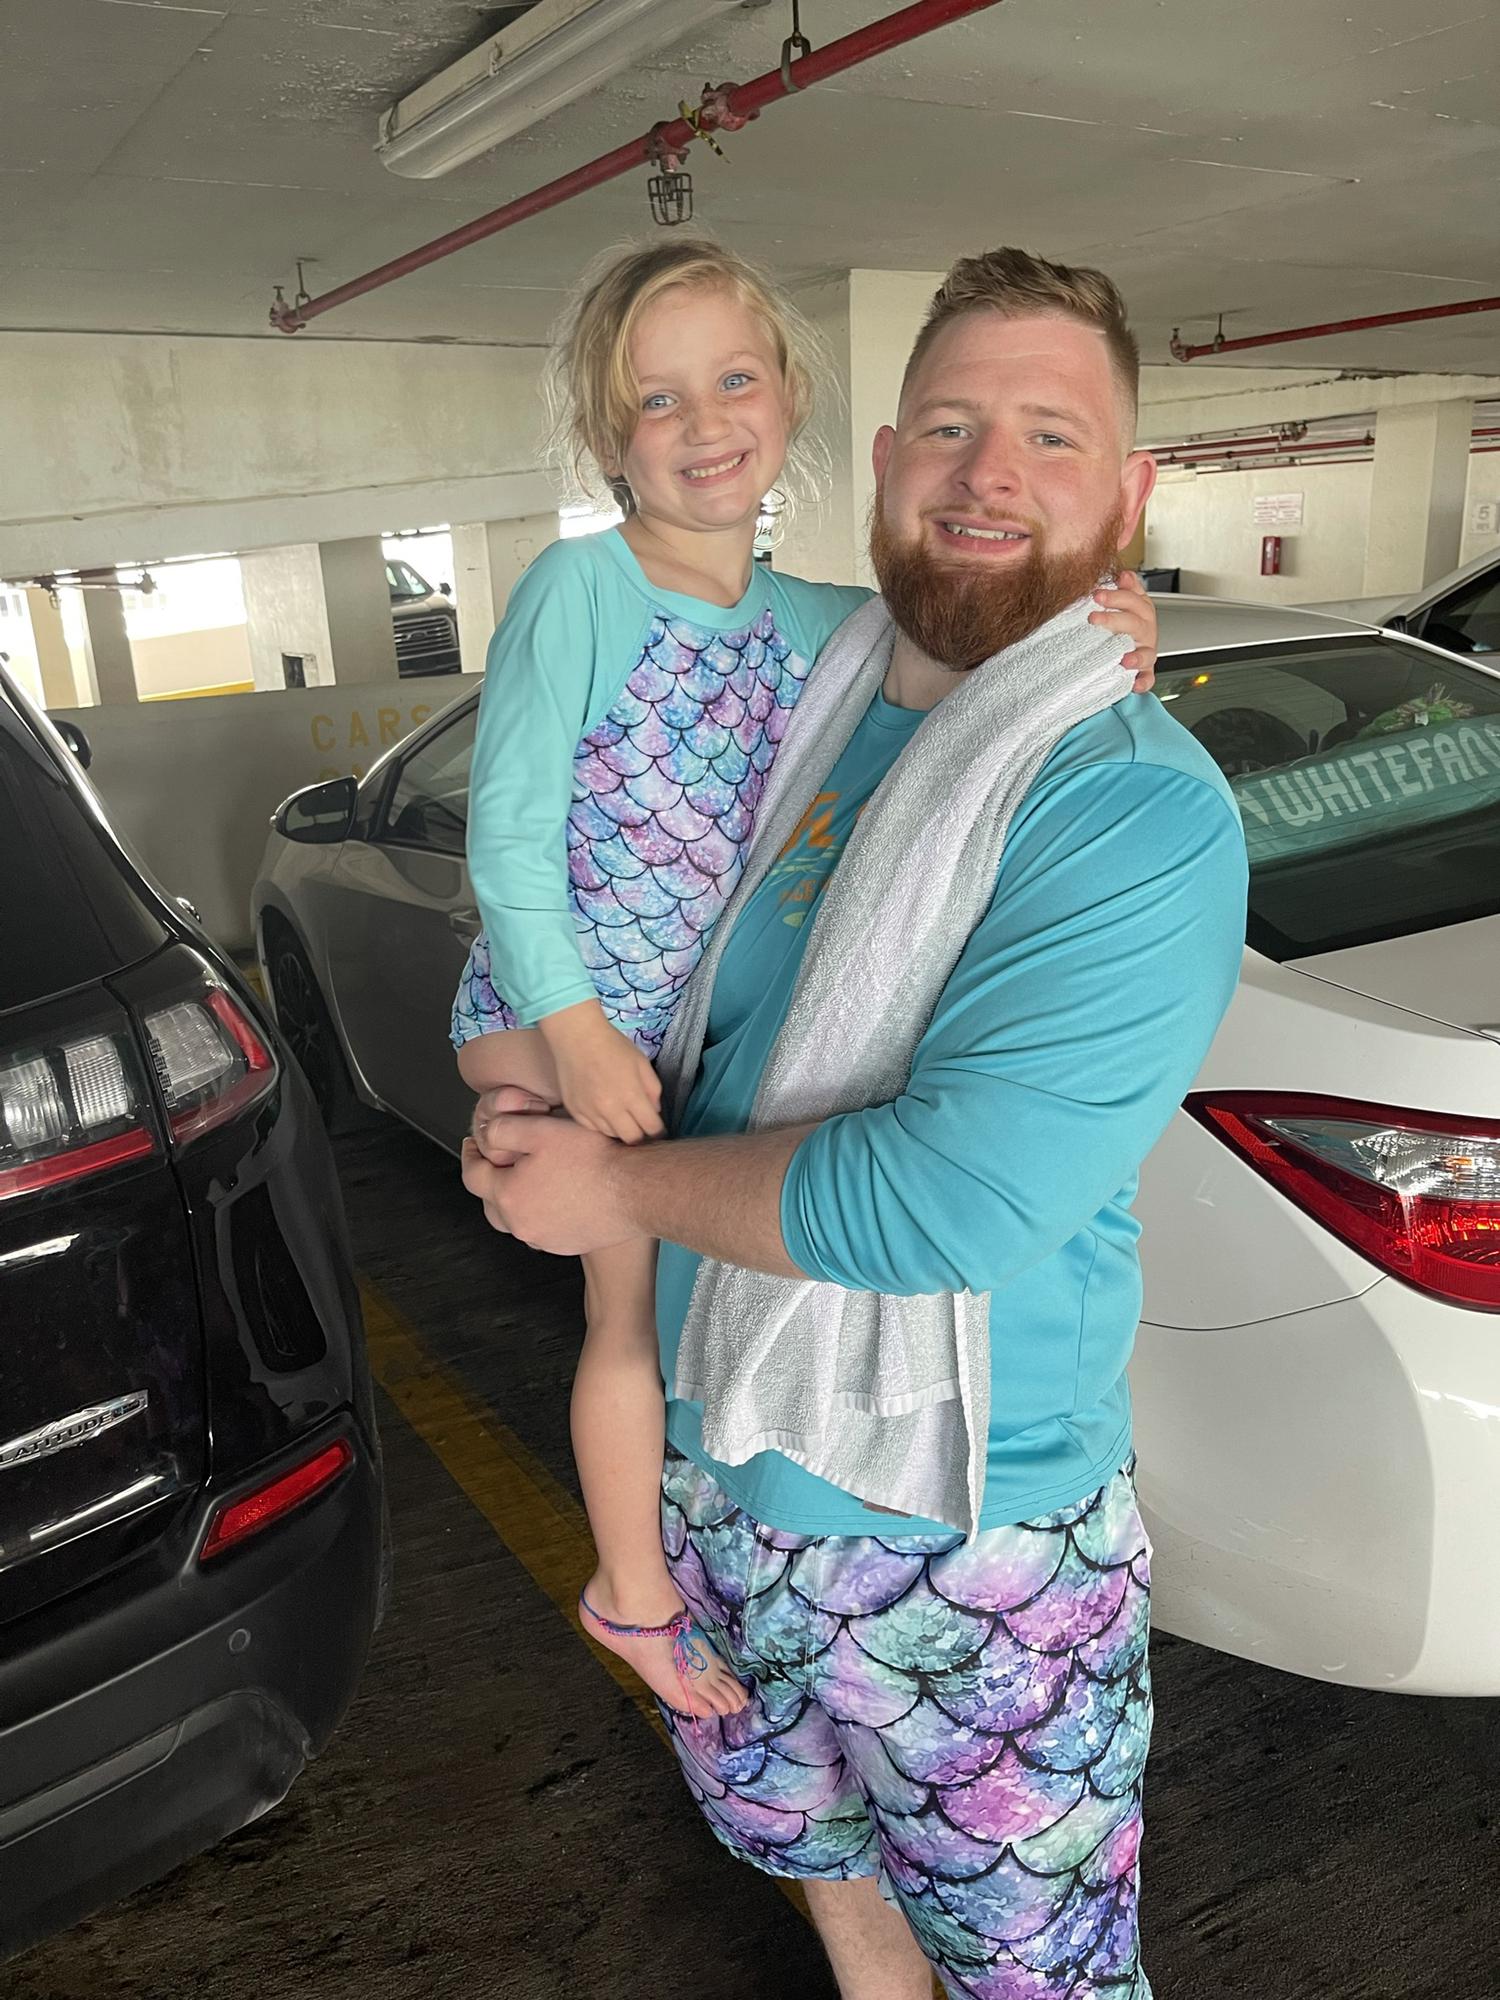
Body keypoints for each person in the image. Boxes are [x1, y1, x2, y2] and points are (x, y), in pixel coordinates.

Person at [454, 240, 1163, 1732]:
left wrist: (1112, 614)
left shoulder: (817, 620)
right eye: (658, 400)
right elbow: (505, 841)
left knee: (643, 1314)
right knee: (618, 1317)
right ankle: (631, 1592)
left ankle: (656, 1574)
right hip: (558, 1005)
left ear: (790, 401)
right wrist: (571, 1036)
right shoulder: (580, 590)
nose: (704, 422)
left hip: (662, 1029)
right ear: (607, 435)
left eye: (734, 380)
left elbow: (980, 623)